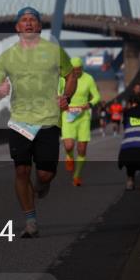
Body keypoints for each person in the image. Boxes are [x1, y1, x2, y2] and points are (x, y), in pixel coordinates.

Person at [0, 7, 76, 238]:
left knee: (45, 174)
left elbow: (71, 76)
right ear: (17, 27)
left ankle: (42, 185)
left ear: (39, 27)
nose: (28, 23)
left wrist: (66, 97)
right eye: (23, 20)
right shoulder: (7, 56)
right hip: (20, 121)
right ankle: (30, 221)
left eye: (32, 20)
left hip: (48, 120)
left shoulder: (55, 51)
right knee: (21, 170)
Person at [59, 57, 101, 187]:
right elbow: (57, 94)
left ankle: (77, 176)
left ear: (82, 68)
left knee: (82, 150)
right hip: (68, 116)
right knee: (69, 146)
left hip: (83, 117)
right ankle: (69, 156)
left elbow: (97, 96)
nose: (76, 72)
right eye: (74, 70)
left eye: (78, 69)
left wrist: (89, 104)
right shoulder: (63, 79)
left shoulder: (88, 79)